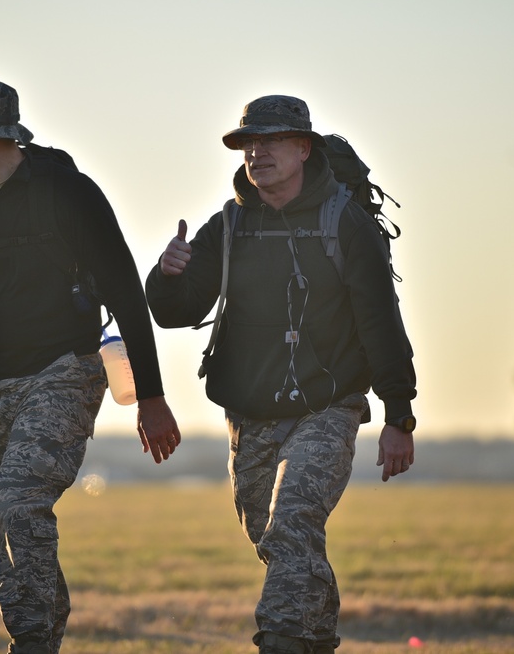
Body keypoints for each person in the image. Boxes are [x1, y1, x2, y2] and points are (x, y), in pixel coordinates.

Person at [0, 78, 181, 653]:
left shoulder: (69, 192)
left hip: (63, 372)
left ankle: (31, 644)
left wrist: (152, 395)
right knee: (4, 524)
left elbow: (124, 292)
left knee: (20, 506)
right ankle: (42, 631)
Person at [146, 95, 417, 654]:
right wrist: (167, 276)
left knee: (291, 524)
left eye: (272, 140)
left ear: (303, 148)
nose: (258, 151)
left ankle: (281, 642)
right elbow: (178, 313)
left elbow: (380, 322)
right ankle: (316, 640)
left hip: (328, 407)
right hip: (249, 418)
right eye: (250, 142)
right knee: (277, 541)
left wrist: (399, 414)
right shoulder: (228, 224)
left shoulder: (345, 223)